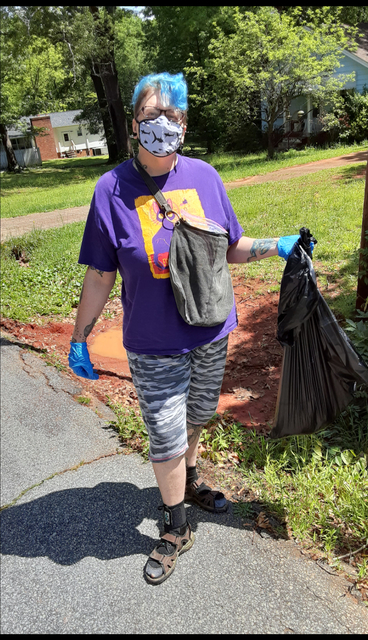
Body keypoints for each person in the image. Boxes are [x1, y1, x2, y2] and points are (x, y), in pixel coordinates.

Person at [67, 72, 312, 585]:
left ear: (185, 124)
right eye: (153, 117)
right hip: (154, 342)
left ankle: (191, 480)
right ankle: (177, 524)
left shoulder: (204, 176)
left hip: (211, 330)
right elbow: (100, 272)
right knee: (165, 432)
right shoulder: (111, 189)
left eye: (173, 117)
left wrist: (278, 245)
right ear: (134, 124)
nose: (163, 126)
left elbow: (228, 248)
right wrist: (78, 334)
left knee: (198, 414)